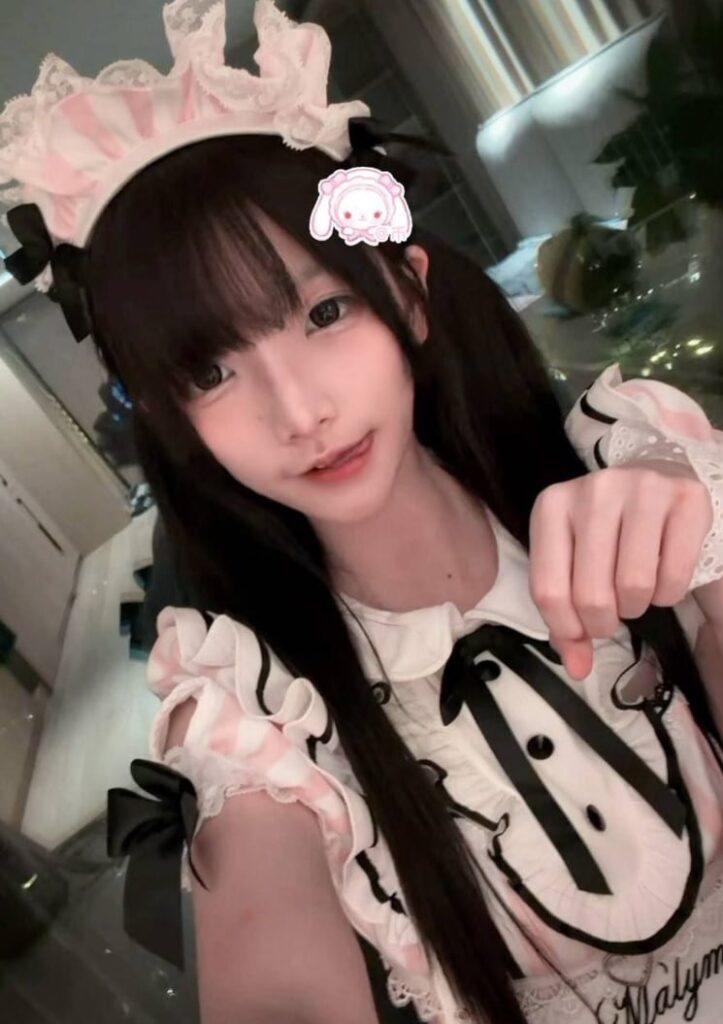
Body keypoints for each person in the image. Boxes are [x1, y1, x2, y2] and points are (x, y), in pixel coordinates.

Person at [2, 2, 723, 1022]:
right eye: (211, 371)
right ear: (177, 425)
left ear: (409, 295)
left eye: (324, 312)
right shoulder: (266, 724)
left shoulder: (627, 474)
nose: (300, 412)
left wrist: (706, 538)